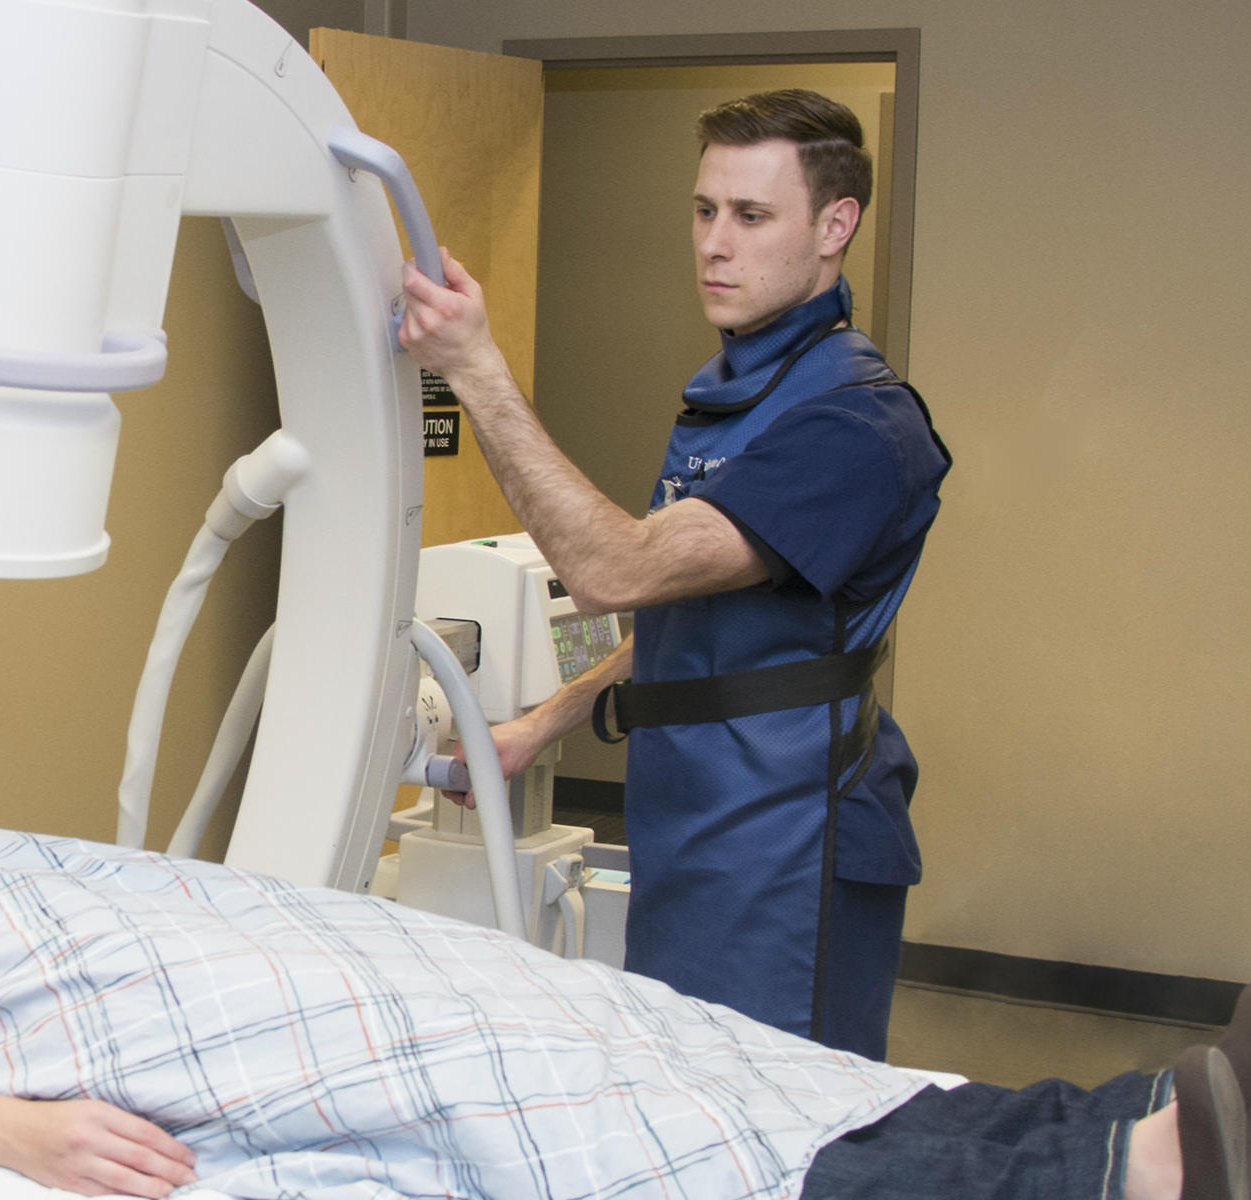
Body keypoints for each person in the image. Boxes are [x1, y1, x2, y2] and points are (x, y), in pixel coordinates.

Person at [0, 788, 1251, 1200]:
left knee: (620, 1038)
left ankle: (1091, 1128)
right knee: (561, 1089)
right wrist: (6, 1135)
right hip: (149, 1012)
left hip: (201, 944)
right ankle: (1092, 1180)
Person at [395, 88, 952, 1061]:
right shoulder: (734, 393)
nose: (712, 244)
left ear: (834, 226)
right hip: (690, 825)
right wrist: (537, 725)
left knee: (777, 1117)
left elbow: (614, 571)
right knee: (685, 1091)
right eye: (702, 211)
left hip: (783, 847)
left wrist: (473, 370)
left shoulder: (856, 429)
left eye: (749, 216)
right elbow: (686, 620)